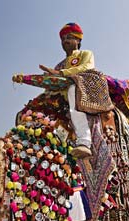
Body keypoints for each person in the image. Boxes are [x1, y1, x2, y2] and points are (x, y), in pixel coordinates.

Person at [39, 22, 94, 158]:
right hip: (60, 98)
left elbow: (87, 67)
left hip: (82, 88)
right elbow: (53, 83)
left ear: (78, 40)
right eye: (63, 39)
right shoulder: (59, 64)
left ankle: (84, 142)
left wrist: (62, 73)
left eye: (69, 37)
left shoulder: (85, 54)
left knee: (72, 89)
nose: (65, 41)